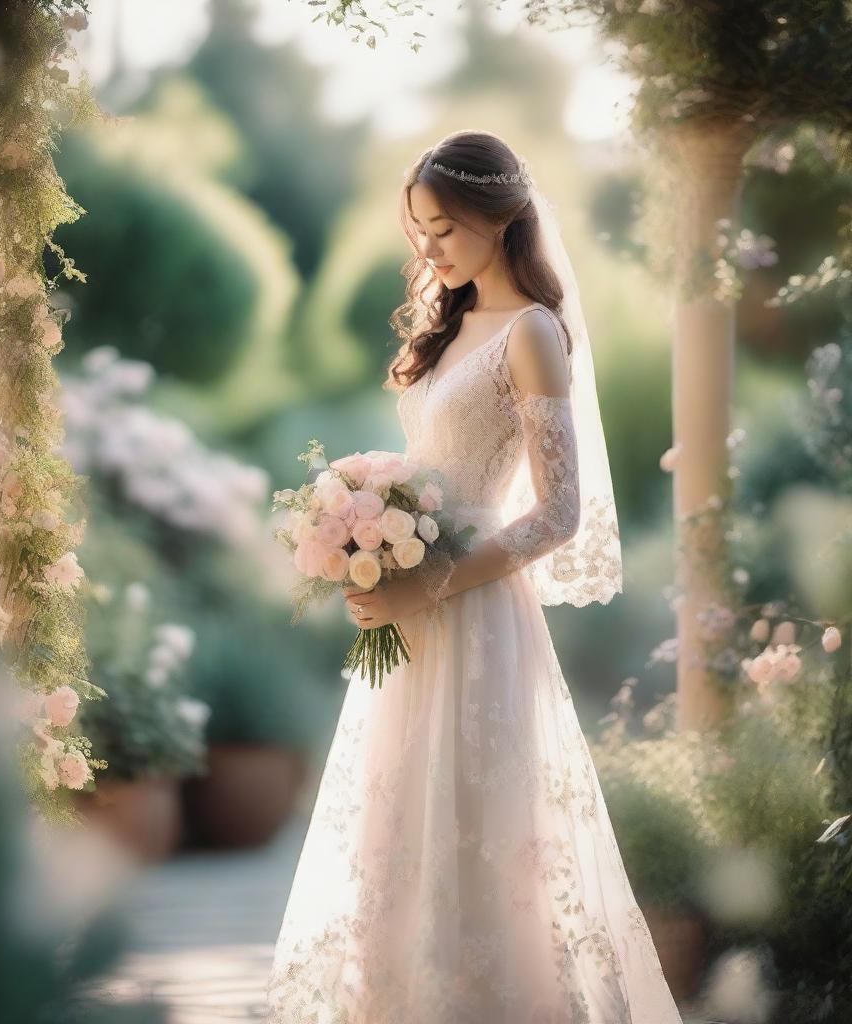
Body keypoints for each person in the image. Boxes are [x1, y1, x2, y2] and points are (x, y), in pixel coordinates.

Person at [265, 129, 684, 1023]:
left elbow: (557, 514)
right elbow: (432, 467)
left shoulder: (533, 333)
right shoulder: (449, 328)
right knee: (400, 826)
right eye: (419, 230)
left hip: (477, 608)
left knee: (481, 828)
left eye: (445, 228)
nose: (430, 248)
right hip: (415, 614)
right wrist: (365, 541)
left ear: (501, 220)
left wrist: (431, 581)